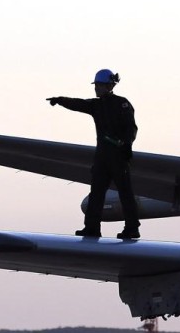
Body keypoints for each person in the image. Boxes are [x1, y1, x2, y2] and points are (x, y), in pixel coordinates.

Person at [47, 69, 140, 239]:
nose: (96, 88)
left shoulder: (122, 104)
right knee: (96, 193)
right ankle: (91, 227)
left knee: (125, 192)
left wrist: (127, 145)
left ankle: (132, 228)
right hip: (103, 156)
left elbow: (131, 128)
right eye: (95, 85)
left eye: (98, 85)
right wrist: (60, 100)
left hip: (118, 156)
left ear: (108, 85)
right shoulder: (96, 105)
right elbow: (78, 104)